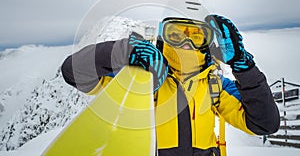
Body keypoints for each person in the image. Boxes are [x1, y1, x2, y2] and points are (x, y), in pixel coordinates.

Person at [61, 15, 280, 156]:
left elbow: (264, 124)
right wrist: (125, 52)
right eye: (175, 34)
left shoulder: (215, 84)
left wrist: (244, 66)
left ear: (207, 44)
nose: (186, 43)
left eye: (196, 36)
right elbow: (73, 71)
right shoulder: (139, 77)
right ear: (162, 38)